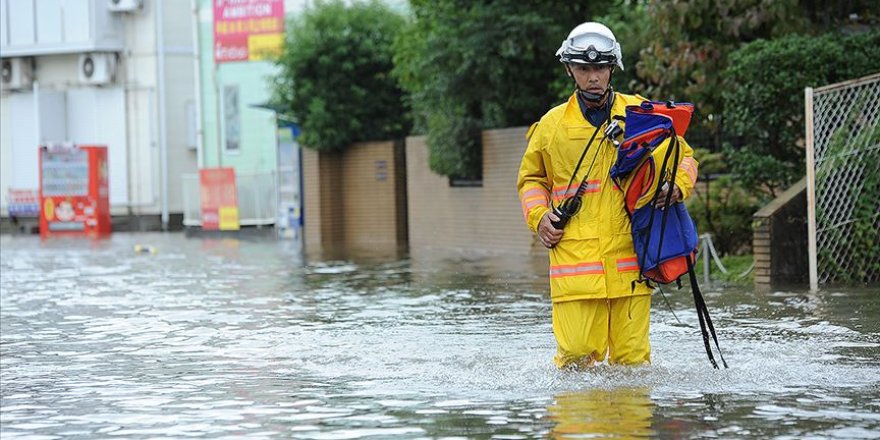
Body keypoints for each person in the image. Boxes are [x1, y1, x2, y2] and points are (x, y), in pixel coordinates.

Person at [517, 22, 699, 369]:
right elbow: (531, 180)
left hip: (630, 265)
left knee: (633, 365)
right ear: (570, 69)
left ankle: (629, 425)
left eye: (600, 67)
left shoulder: (642, 116)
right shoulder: (551, 126)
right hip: (575, 266)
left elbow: (685, 157)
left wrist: (677, 186)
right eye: (584, 69)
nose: (593, 77)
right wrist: (540, 219)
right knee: (575, 360)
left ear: (612, 67)